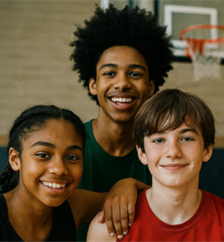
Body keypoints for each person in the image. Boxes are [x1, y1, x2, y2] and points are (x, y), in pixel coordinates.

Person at [0, 105, 145, 242]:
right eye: (43, 154)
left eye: (72, 157)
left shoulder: (73, 206)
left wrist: (128, 184)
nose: (59, 169)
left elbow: (150, 200)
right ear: (15, 159)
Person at [87, 89, 224, 241]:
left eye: (186, 139)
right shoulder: (106, 231)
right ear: (142, 153)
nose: (173, 152)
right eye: (159, 140)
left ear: (207, 150)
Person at [69, 5, 174, 240]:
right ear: (93, 84)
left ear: (151, 87)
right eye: (109, 73)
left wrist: (131, 185)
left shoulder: (164, 150)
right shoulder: (70, 144)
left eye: (135, 74)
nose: (122, 83)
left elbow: (179, 204)